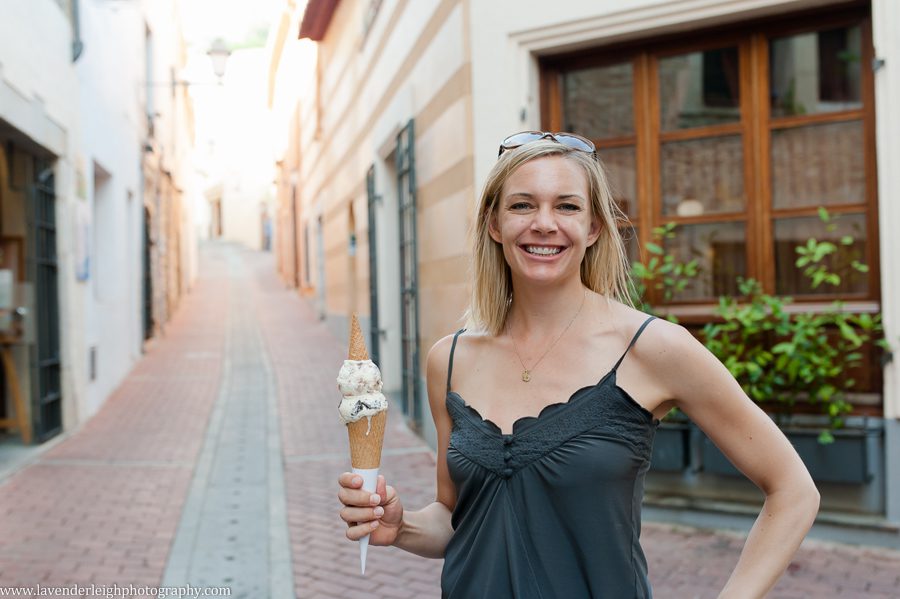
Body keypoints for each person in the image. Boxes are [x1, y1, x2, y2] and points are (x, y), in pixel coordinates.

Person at [338, 131, 820, 598]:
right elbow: (455, 516)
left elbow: (793, 491)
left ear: (592, 228)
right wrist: (401, 527)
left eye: (566, 206)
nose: (544, 223)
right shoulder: (449, 359)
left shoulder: (651, 348)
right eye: (522, 205)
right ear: (493, 224)